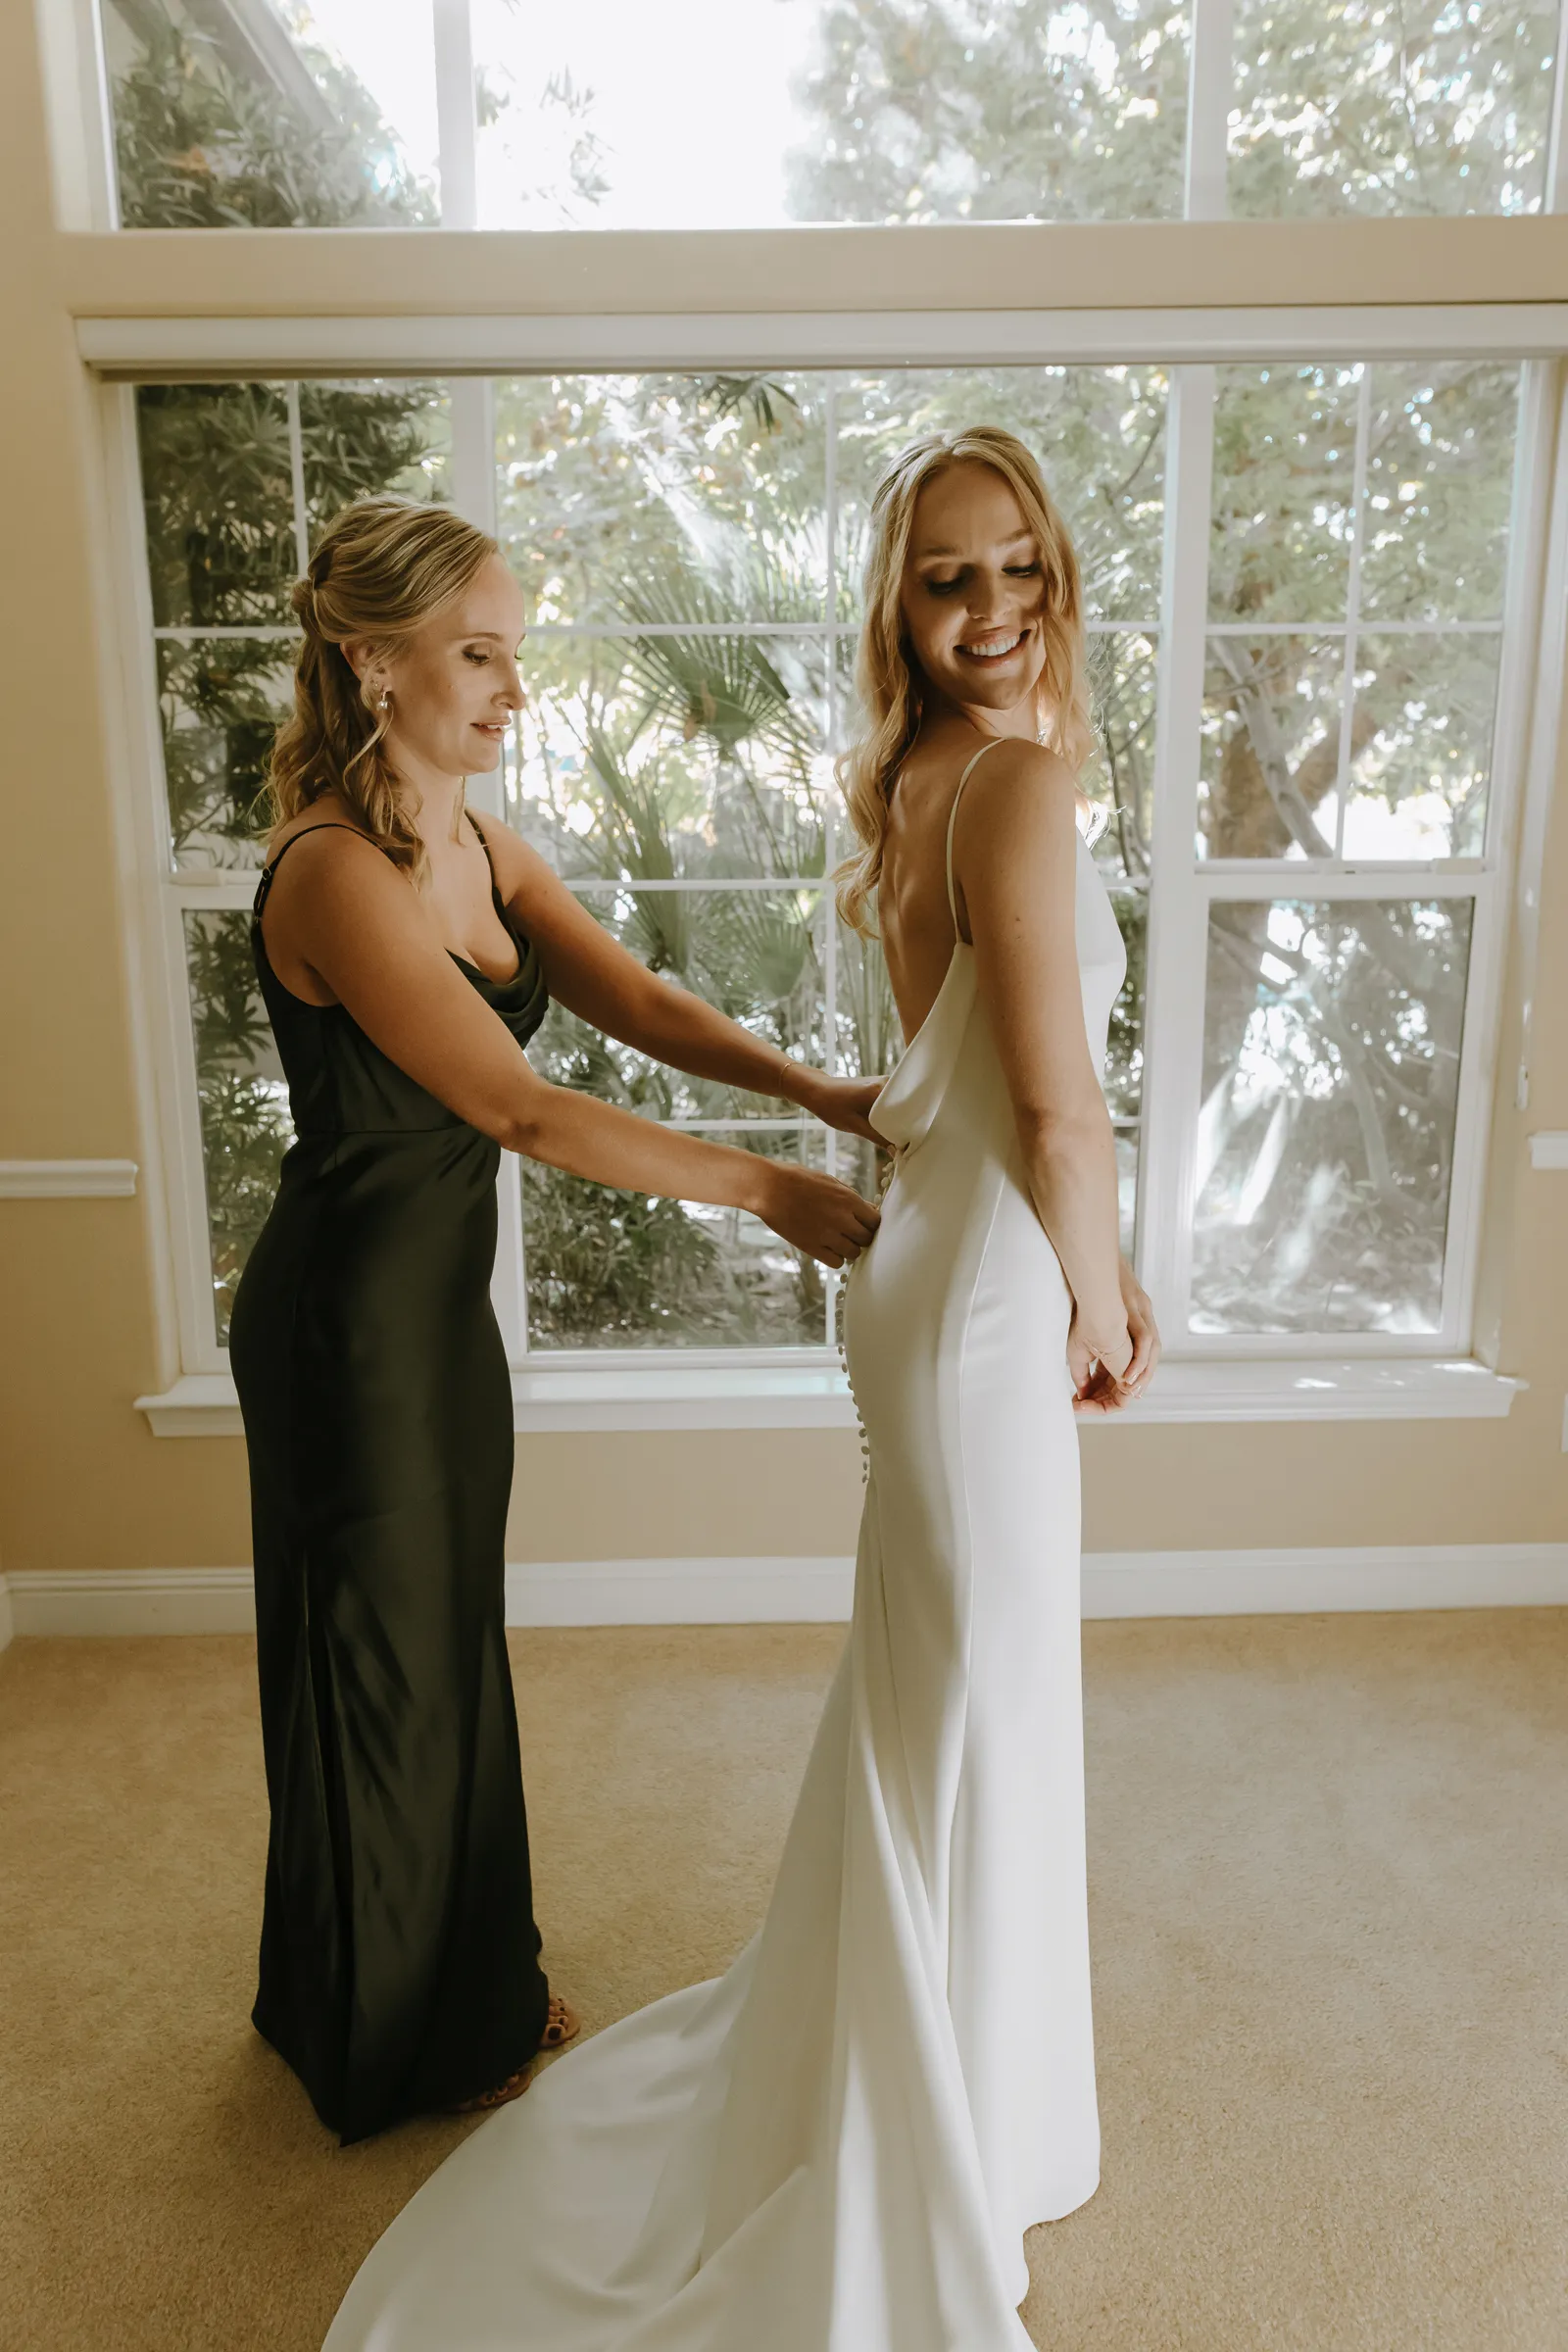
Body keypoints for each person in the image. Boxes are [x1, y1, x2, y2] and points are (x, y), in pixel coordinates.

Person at [320, 427, 1160, 2347]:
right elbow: (1055, 1108)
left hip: (937, 1260)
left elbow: (900, 1068)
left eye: (1017, 565)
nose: (990, 606)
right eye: (946, 576)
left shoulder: (928, 777)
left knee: (947, 1702)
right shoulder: (1015, 782)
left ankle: (971, 2102)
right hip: (982, 1282)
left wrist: (855, 1137)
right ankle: (940, 2131)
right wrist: (1106, 1292)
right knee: (970, 1703)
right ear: (898, 603)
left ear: (1052, 570)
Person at [228, 495, 883, 2147]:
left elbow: (635, 999)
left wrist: (811, 1089)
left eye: (515, 653)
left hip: (435, 1319)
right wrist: (764, 1190)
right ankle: (381, 2038)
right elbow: (518, 1108)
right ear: (372, 661)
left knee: (445, 1645)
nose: (513, 689)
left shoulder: (478, 843)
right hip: (343, 1329)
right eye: (478, 655)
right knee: (375, 1663)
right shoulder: (333, 868)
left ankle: (455, 1987)